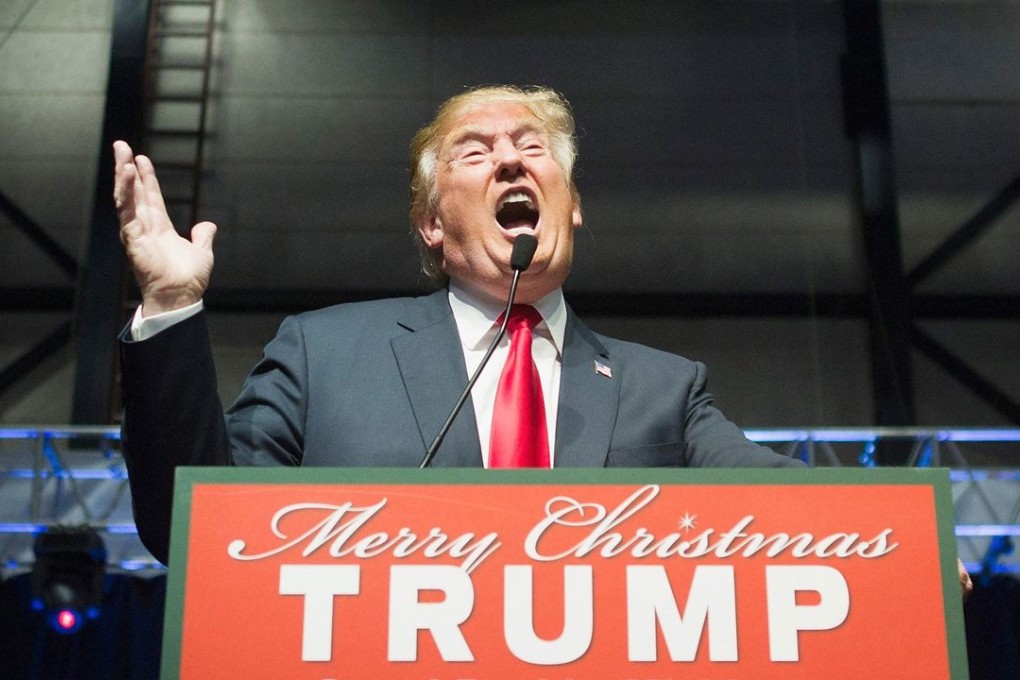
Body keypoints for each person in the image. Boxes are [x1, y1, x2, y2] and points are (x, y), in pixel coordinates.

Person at [114, 84, 800, 565]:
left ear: (574, 206)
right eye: (475, 153)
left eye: (532, 149)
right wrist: (172, 303)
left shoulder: (666, 391)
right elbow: (192, 527)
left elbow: (811, 519)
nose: (510, 160)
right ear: (432, 225)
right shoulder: (324, 353)